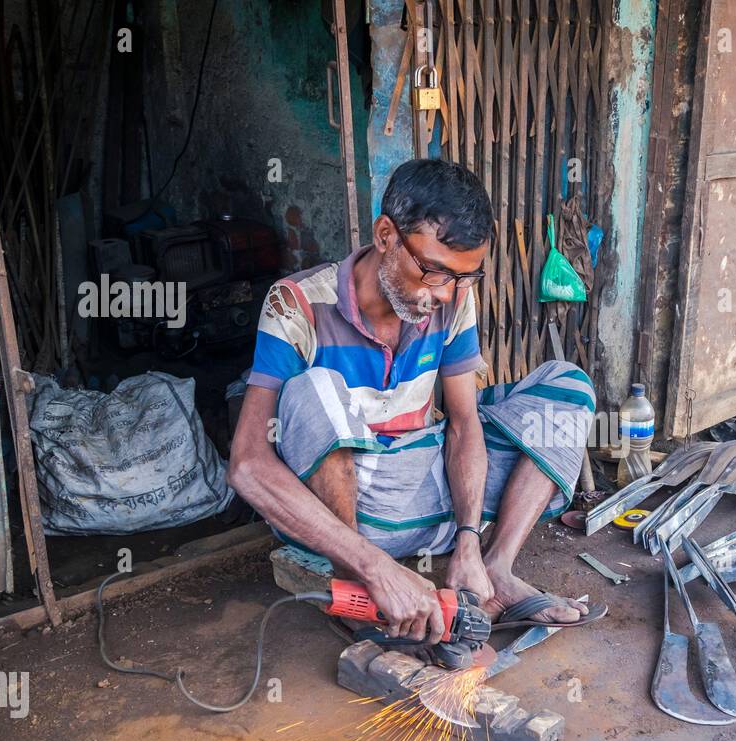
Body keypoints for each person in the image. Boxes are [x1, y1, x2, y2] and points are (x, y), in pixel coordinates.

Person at [229, 159, 601, 644]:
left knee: (567, 385)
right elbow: (247, 465)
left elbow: (465, 425)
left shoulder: (452, 298)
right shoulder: (296, 303)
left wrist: (468, 541)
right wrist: (376, 569)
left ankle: (496, 568)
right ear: (386, 234)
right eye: (432, 271)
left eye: (463, 278)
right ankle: (359, 581)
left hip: (434, 492)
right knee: (311, 387)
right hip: (350, 511)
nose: (444, 294)